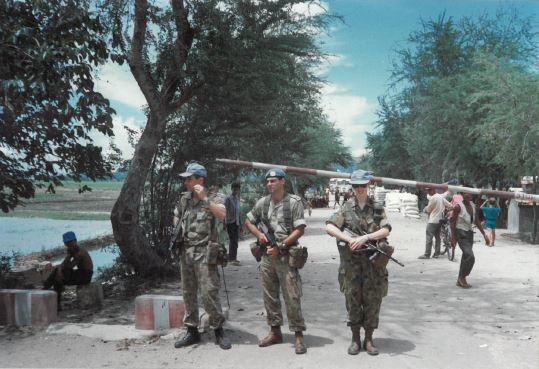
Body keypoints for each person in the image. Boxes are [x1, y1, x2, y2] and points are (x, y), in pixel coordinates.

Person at [325, 170, 392, 356]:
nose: (360, 189)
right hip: (352, 266)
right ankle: (355, 338)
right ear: (352, 187)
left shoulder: (377, 208)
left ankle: (369, 339)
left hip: (373, 265)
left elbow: (386, 229)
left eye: (363, 185)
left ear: (368, 185)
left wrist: (367, 237)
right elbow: (329, 226)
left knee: (373, 302)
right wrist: (347, 238)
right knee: (352, 301)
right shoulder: (345, 208)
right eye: (356, 186)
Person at [244, 168, 308, 354]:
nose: (269, 184)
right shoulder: (263, 203)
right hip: (267, 257)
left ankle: (298, 335)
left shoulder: (293, 202)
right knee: (270, 296)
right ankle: (275, 332)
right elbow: (248, 220)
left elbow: (300, 229)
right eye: (268, 181)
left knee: (292, 296)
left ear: (282, 182)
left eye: (273, 181)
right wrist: (259, 235)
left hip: (286, 256)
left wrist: (281, 245)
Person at [173, 163, 231, 350]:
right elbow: (177, 218)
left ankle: (218, 330)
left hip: (206, 253)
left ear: (200, 180)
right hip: (187, 252)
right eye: (186, 179)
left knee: (209, 292)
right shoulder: (184, 200)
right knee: (188, 293)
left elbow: (222, 215)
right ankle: (191, 331)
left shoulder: (215, 197)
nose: (186, 182)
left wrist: (205, 198)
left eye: (190, 179)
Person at [43, 231, 93, 311]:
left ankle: (46, 290)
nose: (69, 245)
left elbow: (69, 266)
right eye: (67, 243)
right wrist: (59, 268)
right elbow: (64, 264)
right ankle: (48, 292)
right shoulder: (73, 250)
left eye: (70, 242)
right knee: (57, 276)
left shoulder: (79, 252)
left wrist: (68, 257)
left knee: (58, 279)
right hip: (80, 272)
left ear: (75, 241)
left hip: (85, 276)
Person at [450, 187, 489, 289]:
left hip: (469, 233)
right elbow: (452, 222)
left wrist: (484, 235)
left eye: (470, 193)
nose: (469, 195)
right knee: (470, 256)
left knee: (465, 257)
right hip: (460, 233)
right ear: (462, 194)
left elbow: (476, 221)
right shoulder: (458, 207)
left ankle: (460, 279)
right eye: (466, 193)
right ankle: (463, 277)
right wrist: (453, 237)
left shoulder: (472, 206)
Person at [418, 188, 452, 259]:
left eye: (429, 190)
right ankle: (436, 253)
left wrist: (425, 209)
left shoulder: (433, 198)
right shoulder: (441, 197)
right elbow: (450, 205)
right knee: (437, 238)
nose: (428, 191)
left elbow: (428, 209)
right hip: (440, 220)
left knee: (429, 237)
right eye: (428, 190)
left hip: (433, 220)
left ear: (434, 190)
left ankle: (427, 254)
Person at [225, 182, 242, 265]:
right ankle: (231, 258)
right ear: (232, 189)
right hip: (229, 222)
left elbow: (238, 213)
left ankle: (233, 257)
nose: (236, 191)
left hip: (237, 223)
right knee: (232, 240)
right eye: (235, 189)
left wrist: (241, 225)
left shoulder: (238, 199)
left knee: (235, 241)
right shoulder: (228, 198)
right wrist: (224, 223)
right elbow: (224, 211)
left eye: (237, 189)